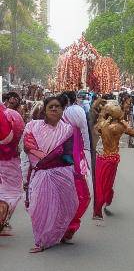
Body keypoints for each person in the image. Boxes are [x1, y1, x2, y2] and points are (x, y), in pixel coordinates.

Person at [23, 96, 78, 253]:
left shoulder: (67, 130)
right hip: (41, 172)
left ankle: (56, 234)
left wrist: (74, 168)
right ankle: (41, 240)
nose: (54, 109)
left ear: (62, 110)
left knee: (66, 206)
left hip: (61, 172)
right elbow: (29, 146)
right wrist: (44, 159)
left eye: (58, 106)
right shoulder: (33, 126)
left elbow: (68, 154)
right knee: (38, 208)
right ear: (45, 110)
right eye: (51, 107)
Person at [93, 104, 134, 221]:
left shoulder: (103, 124)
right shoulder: (119, 126)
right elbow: (133, 132)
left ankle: (98, 209)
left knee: (100, 184)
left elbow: (96, 131)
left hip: (102, 157)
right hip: (112, 158)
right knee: (107, 183)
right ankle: (104, 202)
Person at [60, 92, 91, 241]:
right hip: (56, 166)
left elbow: (84, 132)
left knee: (81, 196)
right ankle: (61, 228)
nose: (54, 110)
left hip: (73, 162)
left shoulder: (75, 113)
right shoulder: (44, 124)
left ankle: (67, 227)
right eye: (51, 107)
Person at [0, 100, 25, 235]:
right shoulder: (12, 115)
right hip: (9, 160)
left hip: (8, 158)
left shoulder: (10, 115)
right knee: (12, 191)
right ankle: (2, 219)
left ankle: (4, 223)